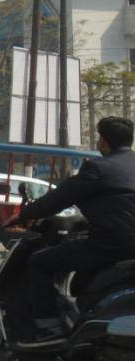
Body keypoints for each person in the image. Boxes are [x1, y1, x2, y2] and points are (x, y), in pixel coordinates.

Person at [17, 116, 135, 346]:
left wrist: (25, 213)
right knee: (83, 276)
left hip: (111, 247)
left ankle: (48, 327)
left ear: (103, 141)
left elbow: (60, 198)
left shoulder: (98, 168)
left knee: (40, 262)